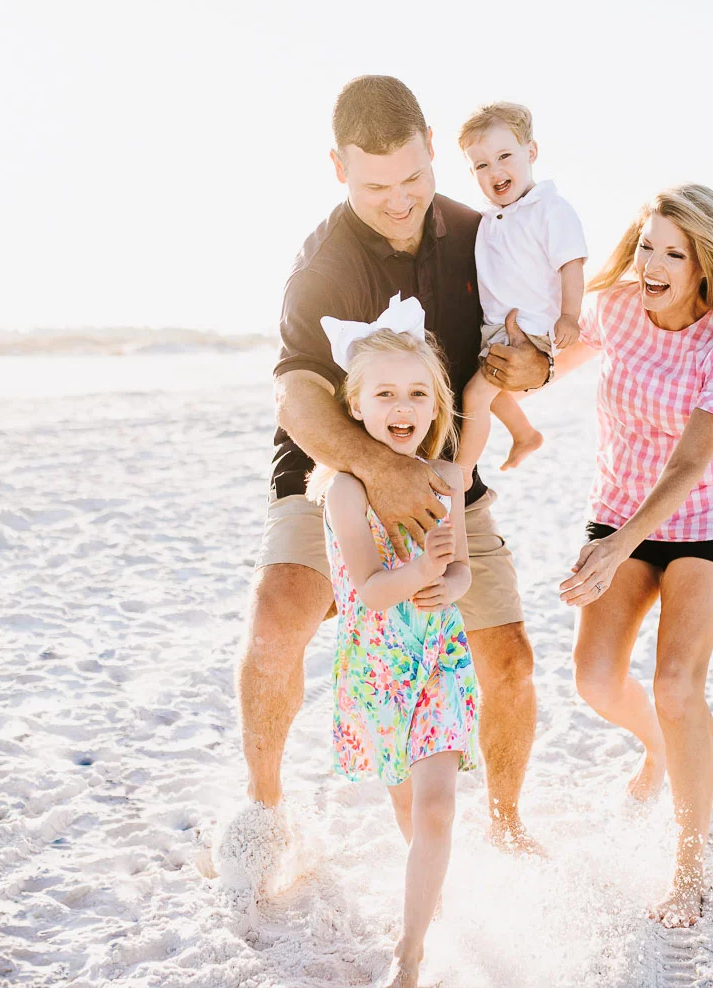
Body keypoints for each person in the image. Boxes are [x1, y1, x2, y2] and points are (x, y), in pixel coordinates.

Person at [221, 76, 550, 896]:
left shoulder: (484, 234)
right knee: (277, 617)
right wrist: (376, 470)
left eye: (412, 179)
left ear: (433, 146)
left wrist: (535, 364)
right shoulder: (323, 266)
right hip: (332, 463)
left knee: (508, 659)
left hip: (445, 469)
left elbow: (530, 348)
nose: (400, 201)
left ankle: (504, 823)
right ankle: (266, 810)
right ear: (337, 167)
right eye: (376, 187)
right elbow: (295, 395)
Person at [551, 183, 713, 927]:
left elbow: (690, 464)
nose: (655, 264)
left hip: (708, 518)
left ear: (706, 265)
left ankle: (689, 865)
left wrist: (613, 549)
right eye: (647, 247)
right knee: (596, 680)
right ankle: (659, 751)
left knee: (675, 684)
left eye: (675, 252)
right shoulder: (615, 308)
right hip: (619, 512)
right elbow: (544, 368)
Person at [307, 323, 478, 988]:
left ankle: (409, 955)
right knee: (409, 809)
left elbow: (460, 570)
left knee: (436, 807)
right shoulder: (345, 490)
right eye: (385, 394)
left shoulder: (443, 479)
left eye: (415, 394)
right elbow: (374, 591)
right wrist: (419, 572)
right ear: (358, 408)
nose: (401, 407)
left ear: (435, 406)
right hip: (378, 669)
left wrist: (446, 583)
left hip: (437, 659)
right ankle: (429, 896)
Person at [454, 102, 587, 473]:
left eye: (504, 156)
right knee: (488, 390)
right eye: (481, 165)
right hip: (495, 326)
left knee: (474, 395)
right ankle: (525, 434)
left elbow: (571, 263)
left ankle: (461, 473)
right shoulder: (491, 217)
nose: (495, 170)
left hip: (527, 327)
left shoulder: (549, 209)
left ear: (531, 151)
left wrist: (569, 316)